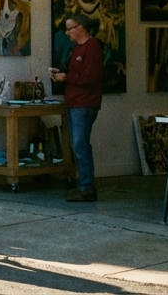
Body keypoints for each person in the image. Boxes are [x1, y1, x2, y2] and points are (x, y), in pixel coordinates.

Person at [50, 15, 104, 202]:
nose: (67, 32)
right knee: (78, 145)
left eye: (70, 28)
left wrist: (67, 78)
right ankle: (83, 185)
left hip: (85, 103)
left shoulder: (93, 47)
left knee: (81, 145)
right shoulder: (78, 49)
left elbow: (89, 78)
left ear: (81, 27)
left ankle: (87, 187)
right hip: (75, 102)